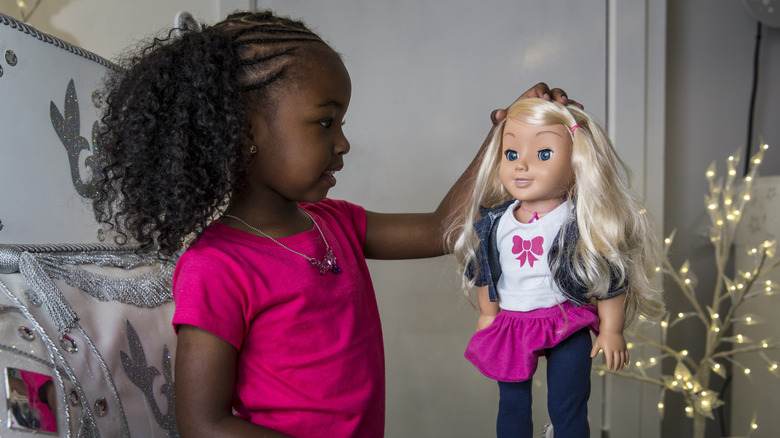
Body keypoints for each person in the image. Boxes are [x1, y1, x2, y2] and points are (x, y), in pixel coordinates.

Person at [94, 10, 574, 438]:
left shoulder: (334, 224)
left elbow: (442, 229)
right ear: (245, 132)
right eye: (326, 123)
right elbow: (205, 424)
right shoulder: (215, 265)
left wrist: (503, 138)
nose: (343, 143)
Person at [446, 98, 665, 438]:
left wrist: (611, 329)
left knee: (568, 402)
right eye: (511, 154)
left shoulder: (580, 220)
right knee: (512, 402)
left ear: (577, 163)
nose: (522, 166)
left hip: (565, 320)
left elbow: (608, 275)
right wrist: (489, 314)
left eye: (544, 154)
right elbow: (484, 270)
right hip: (513, 323)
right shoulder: (495, 221)